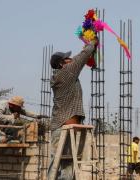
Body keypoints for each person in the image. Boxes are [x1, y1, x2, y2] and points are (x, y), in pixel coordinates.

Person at [48, 39, 97, 179]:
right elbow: (83, 55)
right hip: (64, 126)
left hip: (65, 126)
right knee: (65, 168)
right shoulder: (66, 72)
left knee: (60, 167)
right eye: (67, 58)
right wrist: (92, 42)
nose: (71, 59)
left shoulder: (63, 75)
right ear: (62, 63)